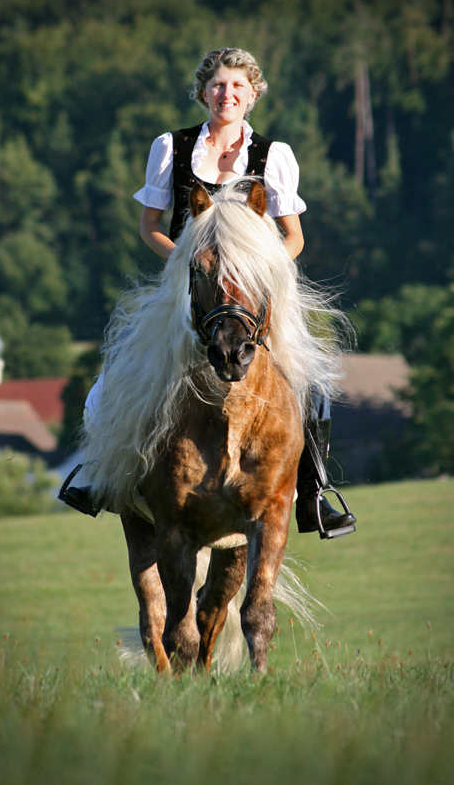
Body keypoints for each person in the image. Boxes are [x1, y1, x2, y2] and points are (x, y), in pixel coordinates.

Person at [60, 47, 356, 538]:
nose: (227, 94)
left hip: (256, 293)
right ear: (203, 92)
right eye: (219, 85)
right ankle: (98, 474)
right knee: (116, 374)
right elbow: (149, 226)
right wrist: (186, 263)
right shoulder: (170, 148)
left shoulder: (273, 156)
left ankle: (315, 493)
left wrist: (263, 273)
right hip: (189, 286)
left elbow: (294, 236)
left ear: (252, 95)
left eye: (238, 86)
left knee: (310, 386)